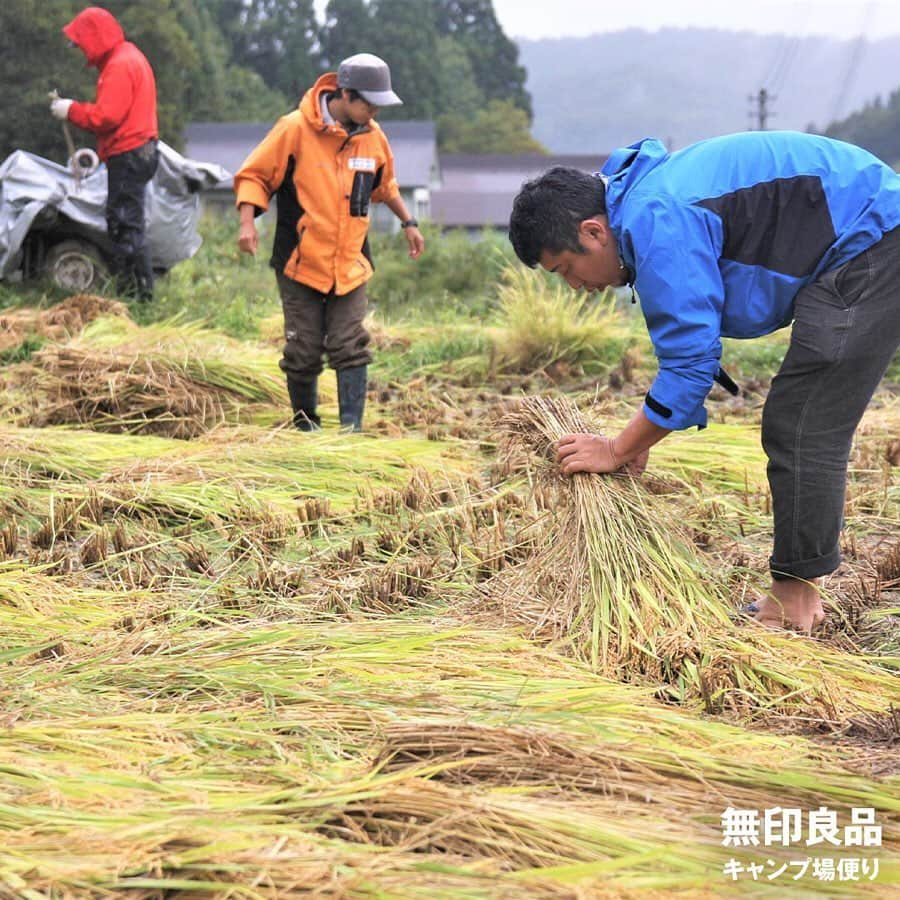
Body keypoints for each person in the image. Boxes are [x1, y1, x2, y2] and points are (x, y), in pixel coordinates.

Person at [508, 131, 900, 633]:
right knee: (799, 417)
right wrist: (640, 435)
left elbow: (691, 368)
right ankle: (799, 596)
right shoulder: (645, 203)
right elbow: (686, 343)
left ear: (592, 232)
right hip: (867, 228)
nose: (576, 286)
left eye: (567, 269)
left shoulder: (657, 217)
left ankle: (794, 605)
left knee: (802, 422)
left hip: (872, 238)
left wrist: (617, 448)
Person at [234, 53, 424, 432]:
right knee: (302, 351)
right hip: (300, 262)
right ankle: (306, 427)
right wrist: (246, 224)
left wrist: (409, 221)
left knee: (350, 344)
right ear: (346, 94)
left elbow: (385, 186)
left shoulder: (373, 138)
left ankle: (351, 431)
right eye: (369, 103)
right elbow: (254, 176)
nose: (375, 112)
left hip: (350, 262)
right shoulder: (294, 129)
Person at [50, 6, 159, 301]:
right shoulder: (128, 57)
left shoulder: (119, 65)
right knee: (128, 224)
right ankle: (136, 295)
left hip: (129, 153)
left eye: (81, 43)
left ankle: (136, 298)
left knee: (125, 227)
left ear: (95, 38)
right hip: (140, 151)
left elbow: (106, 117)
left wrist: (71, 110)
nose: (81, 50)